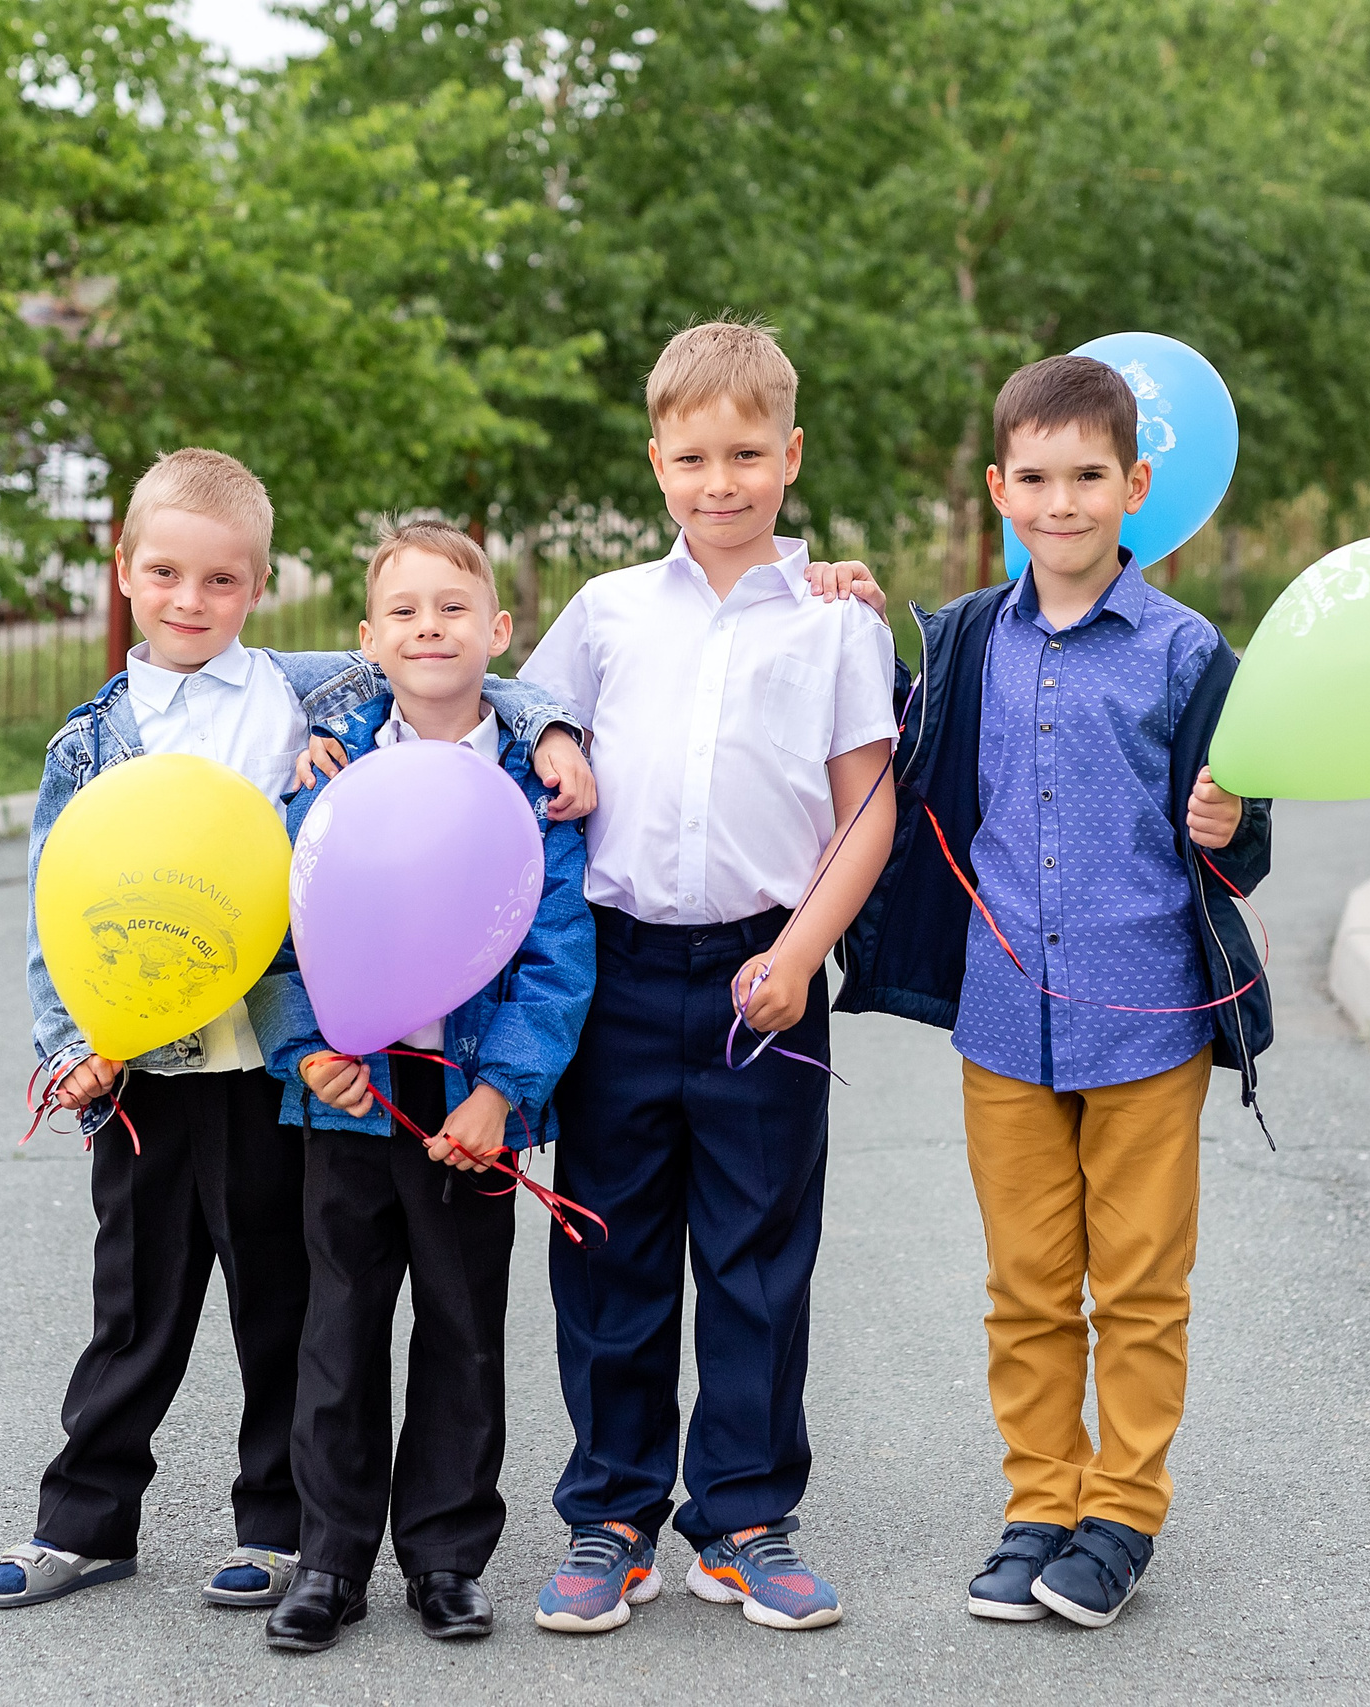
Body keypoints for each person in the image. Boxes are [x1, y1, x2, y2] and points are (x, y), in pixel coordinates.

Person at [0, 450, 589, 1613]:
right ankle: (85, 1517)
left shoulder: (309, 693)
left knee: (283, 1303)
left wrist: (551, 727)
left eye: (219, 581)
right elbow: (54, 900)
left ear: (255, 585)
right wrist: (73, 1044)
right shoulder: (89, 741)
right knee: (136, 1302)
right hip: (144, 1064)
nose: (188, 601)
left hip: (276, 1063)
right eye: (163, 574)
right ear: (124, 572)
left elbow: (454, 675)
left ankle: (276, 1526)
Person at [833, 354, 1274, 1629]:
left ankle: (1120, 1511)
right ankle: (1038, 1500)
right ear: (998, 489)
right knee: (1027, 1282)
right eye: (1036, 477)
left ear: (1135, 485)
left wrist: (1228, 819)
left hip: (1148, 1019)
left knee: (1136, 1285)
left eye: (1089, 476)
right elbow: (896, 746)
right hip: (1003, 1022)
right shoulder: (968, 638)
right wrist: (851, 609)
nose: (1062, 500)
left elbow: (1242, 849)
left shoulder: (1190, 656)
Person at [513, 318, 898, 1635]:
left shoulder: (837, 624)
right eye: (693, 455)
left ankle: (743, 1518)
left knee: (756, 1258)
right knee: (609, 1250)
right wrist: (557, 735)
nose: (719, 479)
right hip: (618, 975)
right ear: (657, 459)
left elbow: (870, 810)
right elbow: (529, 715)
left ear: (789, 455)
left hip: (765, 979)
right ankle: (610, 1516)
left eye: (746, 452)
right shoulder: (610, 608)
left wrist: (800, 955)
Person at [254, 521, 596, 1654]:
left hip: (469, 1103)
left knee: (461, 1328)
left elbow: (555, 956)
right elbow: (283, 929)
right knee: (337, 1327)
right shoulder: (327, 769)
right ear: (368, 641)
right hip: (347, 1095)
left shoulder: (529, 780)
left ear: (497, 632)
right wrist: (305, 1047)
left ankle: (446, 1555)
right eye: (403, 612)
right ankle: (328, 1557)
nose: (429, 628)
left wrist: (504, 1091)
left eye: (453, 608)